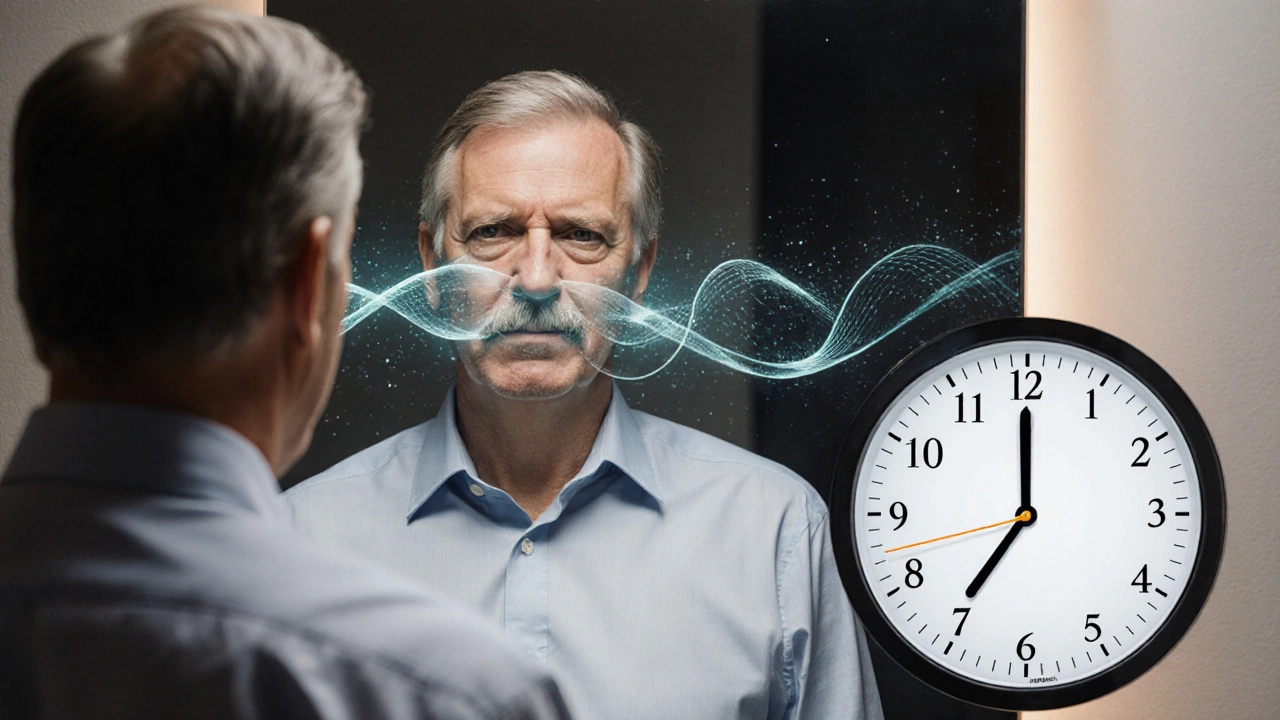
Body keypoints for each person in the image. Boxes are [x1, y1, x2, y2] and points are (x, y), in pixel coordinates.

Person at [0, 8, 571, 720]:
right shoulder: (449, 691)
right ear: (309, 281)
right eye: (493, 233)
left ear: (31, 264)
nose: (541, 279)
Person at [285, 71, 884, 720]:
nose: (538, 279)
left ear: (640, 271)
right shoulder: (296, 547)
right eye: (493, 232)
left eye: (581, 235)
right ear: (432, 264)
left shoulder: (775, 534)